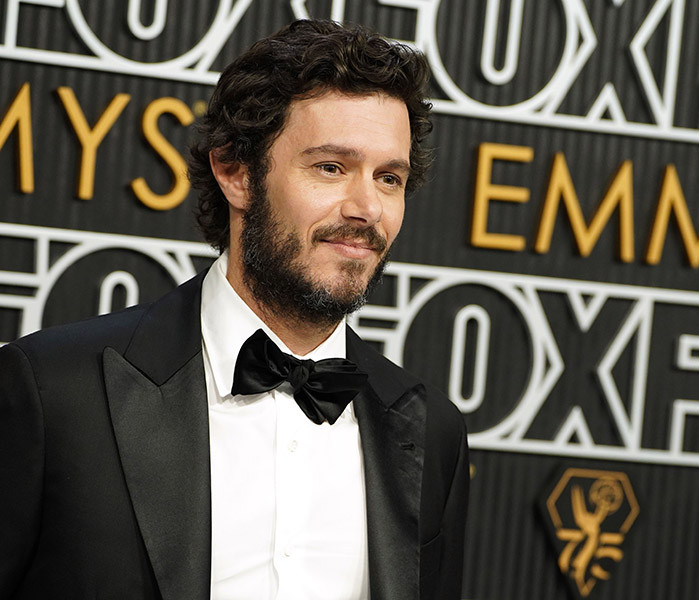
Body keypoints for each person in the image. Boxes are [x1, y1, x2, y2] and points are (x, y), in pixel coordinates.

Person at [0, 19, 468, 600]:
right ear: (236, 172)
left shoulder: (431, 430)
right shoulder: (53, 390)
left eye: (389, 177)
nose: (367, 207)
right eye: (331, 167)